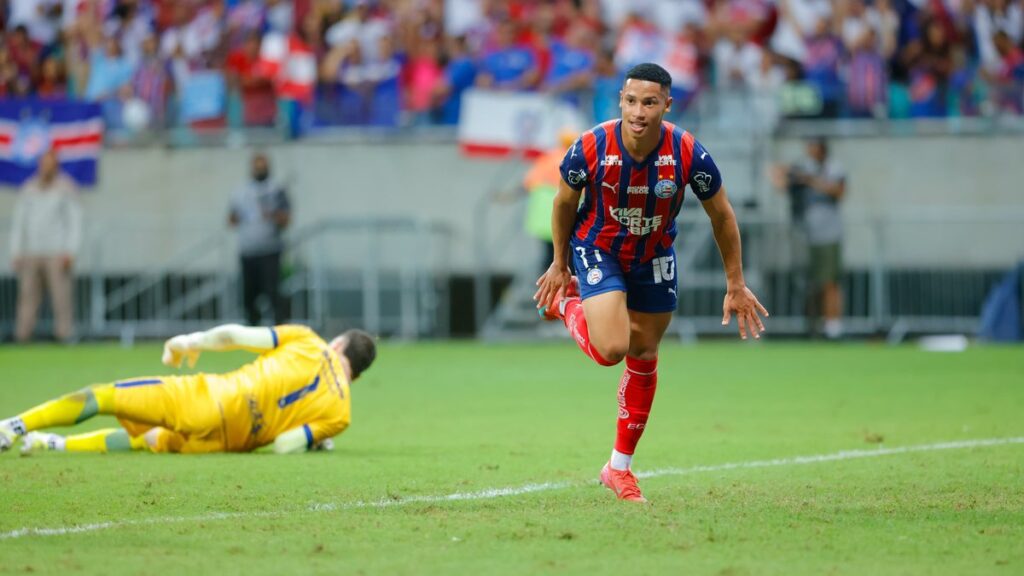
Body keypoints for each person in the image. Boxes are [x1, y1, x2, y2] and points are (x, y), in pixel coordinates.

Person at [534, 63, 768, 503]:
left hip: (654, 254)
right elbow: (564, 203)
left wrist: (735, 283)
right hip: (598, 247)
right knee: (611, 350)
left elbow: (722, 215)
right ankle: (566, 305)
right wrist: (559, 264)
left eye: (649, 102)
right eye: (631, 100)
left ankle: (618, 469)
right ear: (620, 100)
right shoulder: (590, 147)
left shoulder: (687, 153)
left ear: (666, 104)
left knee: (644, 352)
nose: (639, 111)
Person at [0, 324, 377, 455]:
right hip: (223, 443)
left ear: (338, 344)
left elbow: (233, 335)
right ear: (355, 377)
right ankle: (55, 444)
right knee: (147, 440)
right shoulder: (339, 414)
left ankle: (14, 426)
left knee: (102, 396)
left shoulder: (309, 340)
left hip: (211, 398)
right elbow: (283, 445)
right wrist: (314, 441)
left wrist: (189, 342)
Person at [769, 137, 846, 339]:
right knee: (811, 283)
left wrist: (811, 180)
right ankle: (814, 325)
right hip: (806, 235)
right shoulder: (804, 168)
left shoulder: (833, 168)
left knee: (830, 281)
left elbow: (839, 191)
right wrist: (788, 174)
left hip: (828, 234)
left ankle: (833, 327)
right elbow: (778, 179)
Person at [10, 149, 82, 343]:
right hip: (32, 252)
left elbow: (73, 222)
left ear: (56, 165)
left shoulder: (65, 188)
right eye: (44, 163)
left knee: (61, 298)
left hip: (56, 252)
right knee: (27, 297)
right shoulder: (29, 188)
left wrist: (70, 251)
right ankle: (23, 336)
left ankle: (64, 334)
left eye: (50, 163)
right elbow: (19, 223)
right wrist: (16, 251)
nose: (46, 167)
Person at [229, 151, 291, 326]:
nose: (259, 170)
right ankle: (251, 331)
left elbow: (286, 219)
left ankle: (280, 333)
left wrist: (271, 214)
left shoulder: (277, 190)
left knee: (273, 294)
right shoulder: (241, 192)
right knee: (249, 295)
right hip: (248, 250)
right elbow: (231, 219)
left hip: (270, 249)